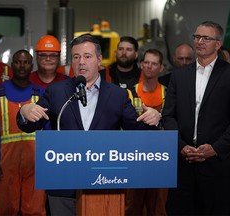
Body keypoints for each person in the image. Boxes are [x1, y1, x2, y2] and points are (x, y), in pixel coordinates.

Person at [16, 34, 161, 216]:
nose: (81, 62)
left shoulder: (117, 95)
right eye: (76, 57)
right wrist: (24, 112)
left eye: (87, 56)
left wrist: (155, 118)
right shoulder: (56, 92)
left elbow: (138, 131)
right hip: (63, 184)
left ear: (99, 60)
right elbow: (29, 125)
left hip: (103, 185)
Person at [162, 21, 230, 215]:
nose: (199, 41)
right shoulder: (179, 76)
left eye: (206, 38)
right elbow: (168, 116)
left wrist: (215, 148)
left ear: (218, 44)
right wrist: (181, 146)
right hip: (184, 165)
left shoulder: (228, 74)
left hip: (218, 167)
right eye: (197, 37)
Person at [0, 50, 46, 215]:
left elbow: (48, 129)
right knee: (6, 208)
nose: (22, 65)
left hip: (36, 163)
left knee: (34, 209)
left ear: (31, 66)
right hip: (6, 164)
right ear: (12, 65)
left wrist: (47, 160)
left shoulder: (40, 93)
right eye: (18, 62)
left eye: (26, 62)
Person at [125, 49, 167, 216]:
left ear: (161, 68)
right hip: (134, 156)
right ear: (141, 65)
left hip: (161, 158)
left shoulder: (167, 93)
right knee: (132, 206)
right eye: (146, 62)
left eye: (154, 63)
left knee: (158, 207)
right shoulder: (129, 92)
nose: (149, 66)